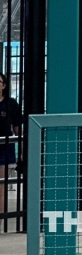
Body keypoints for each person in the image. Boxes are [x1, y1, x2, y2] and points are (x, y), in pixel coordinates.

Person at [0, 73, 21, 214]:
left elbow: (18, 129)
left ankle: (0, 220)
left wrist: (23, 153)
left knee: (1, 187)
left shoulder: (11, 104)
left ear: (4, 85)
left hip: (5, 149)